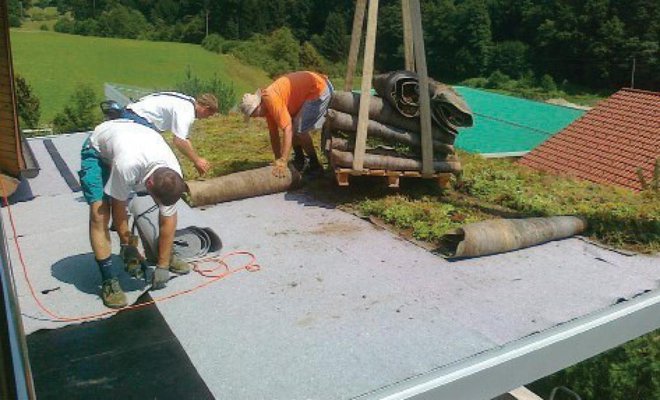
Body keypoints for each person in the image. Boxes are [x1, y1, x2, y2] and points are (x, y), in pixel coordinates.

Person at [79, 119, 190, 308]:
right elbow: (119, 207)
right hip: (97, 150)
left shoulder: (173, 173)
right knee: (100, 214)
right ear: (148, 185)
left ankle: (164, 255)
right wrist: (128, 246)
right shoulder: (128, 166)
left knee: (164, 219)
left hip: (132, 138)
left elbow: (168, 217)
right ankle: (108, 281)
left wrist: (163, 265)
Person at [239, 71, 334, 178]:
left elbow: (287, 129)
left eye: (253, 114)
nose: (255, 117)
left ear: (257, 106)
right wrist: (278, 159)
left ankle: (315, 166)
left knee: (299, 129)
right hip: (308, 90)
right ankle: (300, 160)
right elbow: (274, 135)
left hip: (318, 89)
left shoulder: (271, 100)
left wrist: (283, 161)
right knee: (293, 126)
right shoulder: (268, 109)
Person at [121, 92, 219, 176]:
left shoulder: (187, 103)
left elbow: (185, 138)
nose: (207, 118)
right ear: (206, 109)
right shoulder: (186, 111)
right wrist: (197, 161)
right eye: (209, 115)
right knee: (147, 156)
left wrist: (196, 159)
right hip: (138, 119)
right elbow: (179, 141)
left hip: (134, 113)